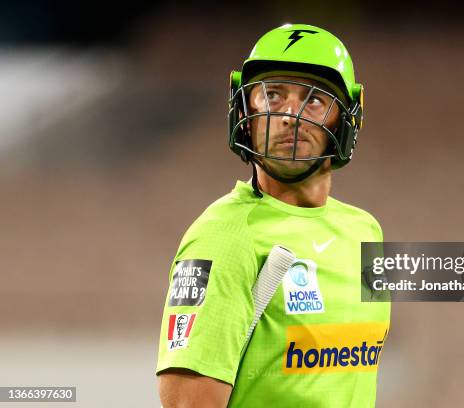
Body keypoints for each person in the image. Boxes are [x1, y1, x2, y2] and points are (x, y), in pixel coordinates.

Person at [156, 23, 390, 407]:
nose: (290, 116)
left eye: (313, 100)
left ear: (347, 115)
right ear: (246, 110)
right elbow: (186, 403)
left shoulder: (365, 232)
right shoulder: (226, 237)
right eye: (273, 95)